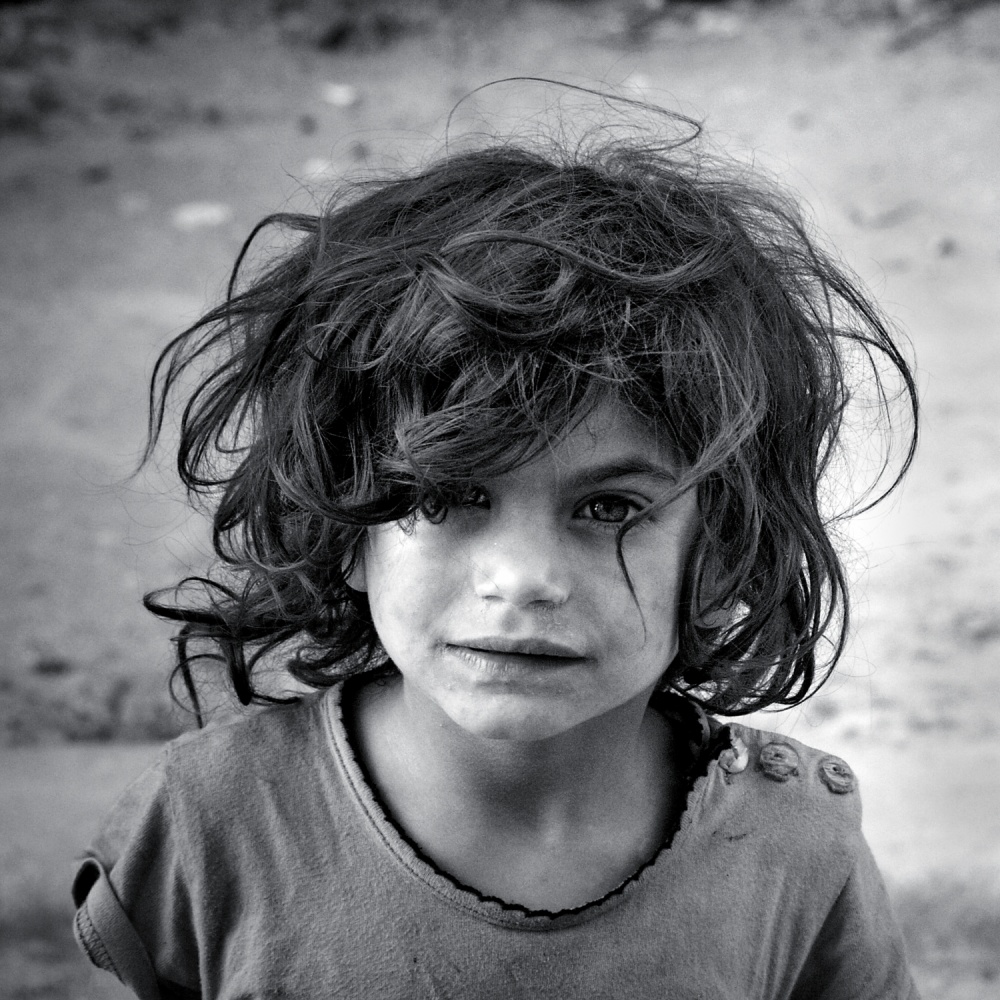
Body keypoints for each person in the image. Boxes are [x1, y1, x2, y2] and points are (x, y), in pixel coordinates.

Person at [72, 102, 920, 999]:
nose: (521, 580)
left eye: (609, 507)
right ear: (346, 525)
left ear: (721, 556)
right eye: (446, 496)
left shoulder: (794, 849)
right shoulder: (213, 823)